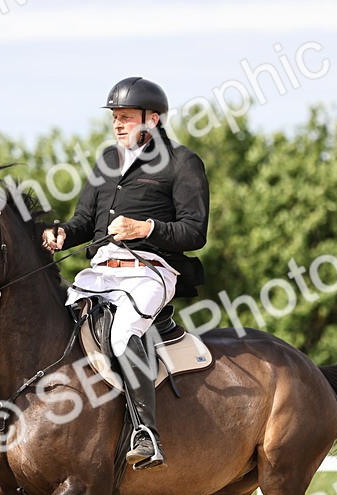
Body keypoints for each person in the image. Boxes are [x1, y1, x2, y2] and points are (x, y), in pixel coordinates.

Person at [43, 77, 209, 471]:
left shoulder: (183, 163)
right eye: (115, 118)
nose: (118, 125)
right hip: (101, 273)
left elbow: (194, 231)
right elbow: (85, 220)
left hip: (151, 271)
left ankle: (146, 434)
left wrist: (145, 228)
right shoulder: (106, 162)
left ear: (152, 119)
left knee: (121, 333)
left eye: (126, 118)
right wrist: (63, 233)